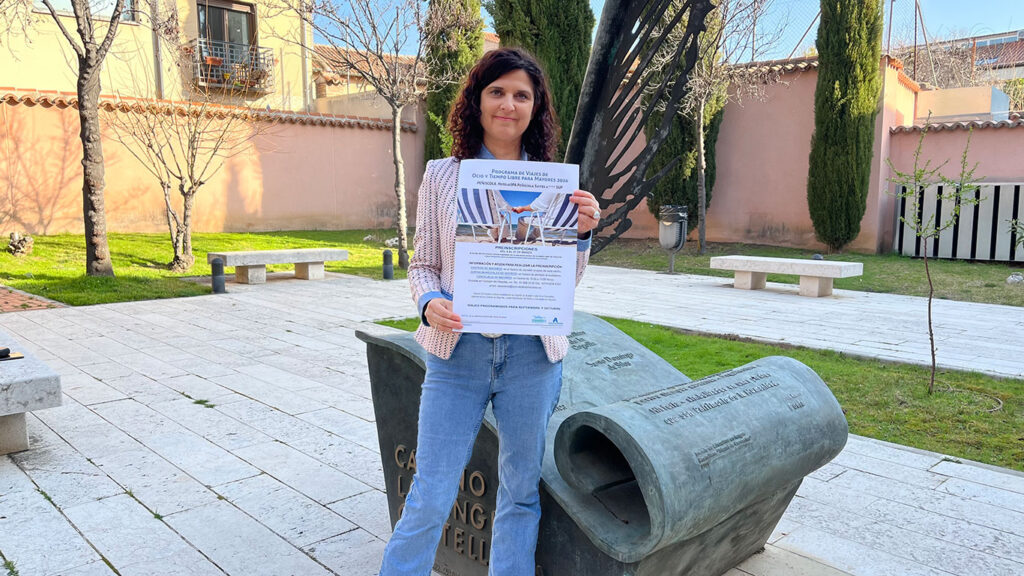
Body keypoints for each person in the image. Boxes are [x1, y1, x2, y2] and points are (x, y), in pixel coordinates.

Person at [378, 47, 601, 576]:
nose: (508, 104)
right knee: (432, 491)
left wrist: (581, 236)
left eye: (521, 95)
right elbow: (423, 265)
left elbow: (561, 285)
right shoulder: (442, 175)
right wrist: (429, 303)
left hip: (531, 358)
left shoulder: (555, 186)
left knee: (521, 491)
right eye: (496, 91)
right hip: (458, 355)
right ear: (476, 101)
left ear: (535, 107)